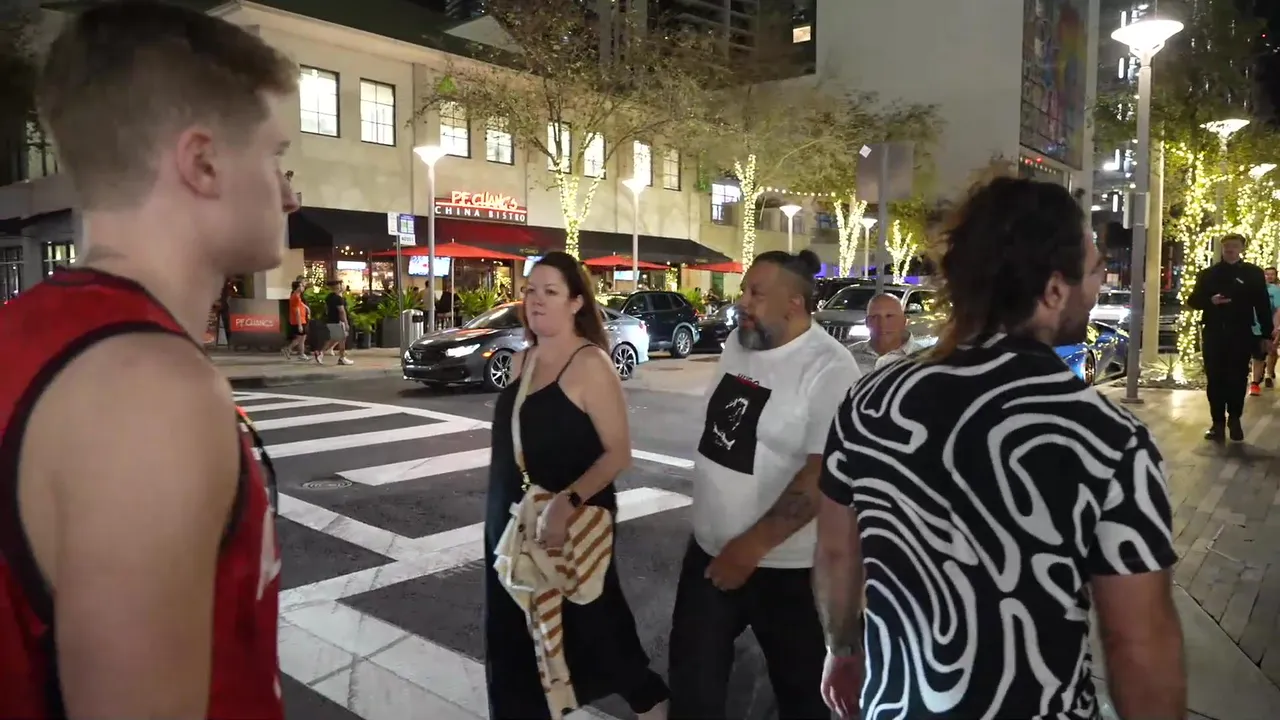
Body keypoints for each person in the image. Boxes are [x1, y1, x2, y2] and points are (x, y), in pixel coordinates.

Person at [0, 3, 298, 718]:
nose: (290, 192)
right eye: (274, 156)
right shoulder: (151, 391)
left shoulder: (29, 335)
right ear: (203, 163)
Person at [815, 178, 1185, 720]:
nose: (1098, 285)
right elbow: (1138, 643)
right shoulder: (1107, 438)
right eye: (1094, 268)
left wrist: (843, 649)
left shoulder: (868, 402)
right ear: (1053, 290)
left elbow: (836, 553)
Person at [667, 249, 861, 719]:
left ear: (794, 302)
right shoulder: (740, 343)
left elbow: (821, 474)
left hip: (786, 571)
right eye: (744, 291)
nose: (743, 302)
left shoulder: (830, 368)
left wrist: (751, 547)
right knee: (693, 688)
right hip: (709, 552)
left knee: (802, 697)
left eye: (756, 293)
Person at [483, 251, 668, 720]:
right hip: (512, 520)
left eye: (550, 291)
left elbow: (618, 454)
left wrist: (566, 503)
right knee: (514, 639)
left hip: (570, 525)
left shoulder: (590, 364)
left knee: (597, 633)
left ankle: (652, 704)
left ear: (576, 303)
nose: (536, 300)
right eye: (530, 290)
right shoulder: (521, 362)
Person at [1187, 233, 1272, 441]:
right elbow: (1193, 300)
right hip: (1214, 332)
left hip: (1241, 333)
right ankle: (1217, 422)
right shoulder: (1209, 274)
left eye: (1234, 246)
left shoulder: (1253, 273)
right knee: (1215, 378)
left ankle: (1235, 419)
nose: (1230, 249)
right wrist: (1210, 300)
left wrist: (1266, 335)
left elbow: (1262, 305)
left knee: (1237, 377)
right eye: (1226, 246)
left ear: (1242, 248)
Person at [845, 292, 926, 373]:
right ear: (867, 322)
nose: (882, 323)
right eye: (875, 317)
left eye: (889, 316)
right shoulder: (848, 356)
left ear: (904, 321)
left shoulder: (924, 359)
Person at [1249, 266, 1280, 393]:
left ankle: (1265, 376)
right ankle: (1256, 379)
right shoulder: (1249, 290)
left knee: (1267, 352)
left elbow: (1278, 310)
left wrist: (1276, 327)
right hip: (1250, 327)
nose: (1268, 277)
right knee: (1257, 354)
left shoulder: (1275, 290)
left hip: (1267, 327)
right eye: (1266, 274)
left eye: (1271, 274)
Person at [320, 278, 353, 365]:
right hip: (338, 321)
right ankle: (342, 358)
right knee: (342, 339)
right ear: (338, 286)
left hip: (331, 320)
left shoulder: (329, 297)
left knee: (334, 338)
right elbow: (341, 311)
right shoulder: (338, 298)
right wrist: (346, 323)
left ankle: (321, 353)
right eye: (341, 285)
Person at [284, 279, 312, 360]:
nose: (303, 287)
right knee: (300, 338)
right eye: (301, 286)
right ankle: (289, 349)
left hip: (302, 319)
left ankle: (301, 354)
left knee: (302, 338)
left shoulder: (297, 296)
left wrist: (306, 308)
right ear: (298, 287)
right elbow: (297, 311)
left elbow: (300, 304)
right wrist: (299, 325)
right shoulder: (295, 297)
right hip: (299, 320)